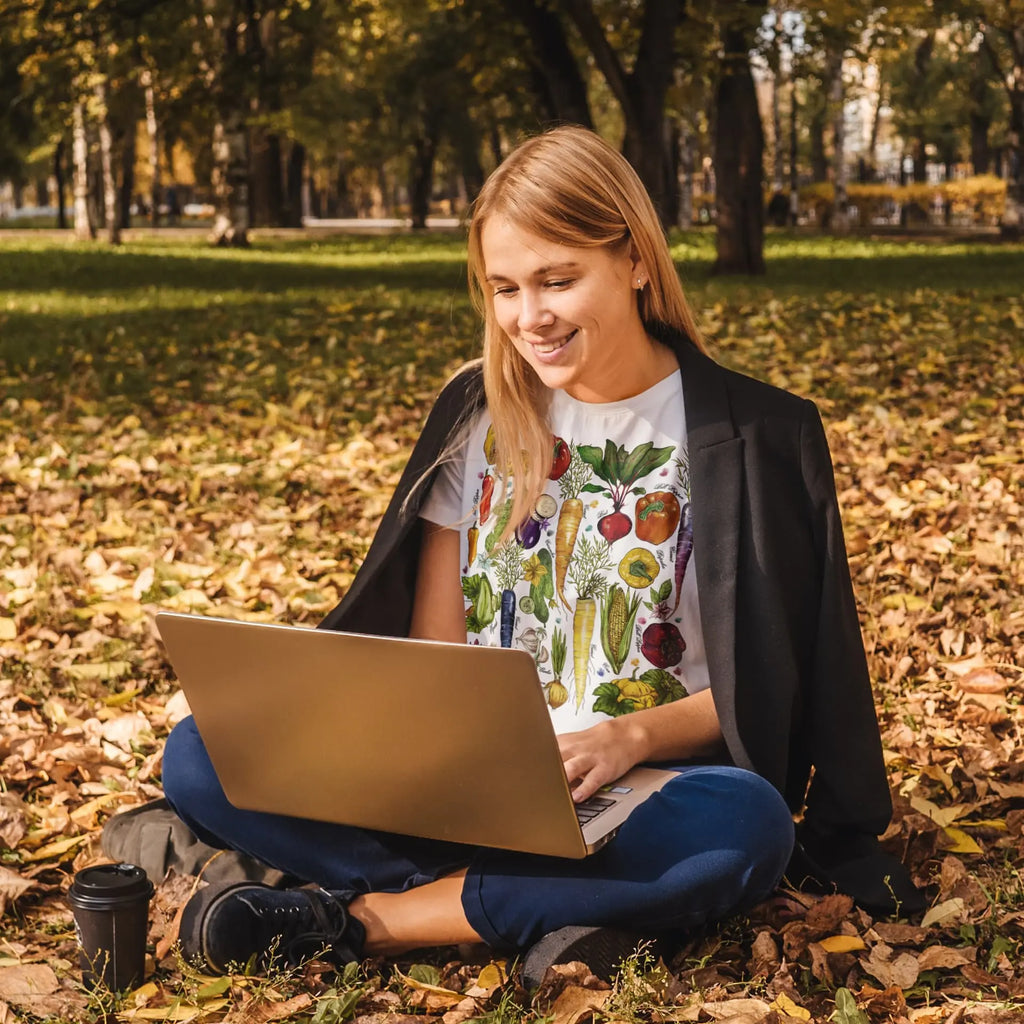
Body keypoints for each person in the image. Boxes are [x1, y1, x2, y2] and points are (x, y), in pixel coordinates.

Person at [160, 126, 921, 983]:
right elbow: (439, 655)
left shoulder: (758, 434)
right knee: (201, 751)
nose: (531, 318)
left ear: (636, 261)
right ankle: (527, 907)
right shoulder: (475, 413)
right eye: (506, 289)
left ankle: (366, 920)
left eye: (558, 280)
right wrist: (412, 758)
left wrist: (628, 736)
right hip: (468, 788)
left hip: (647, 790)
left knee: (746, 826)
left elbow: (772, 688)